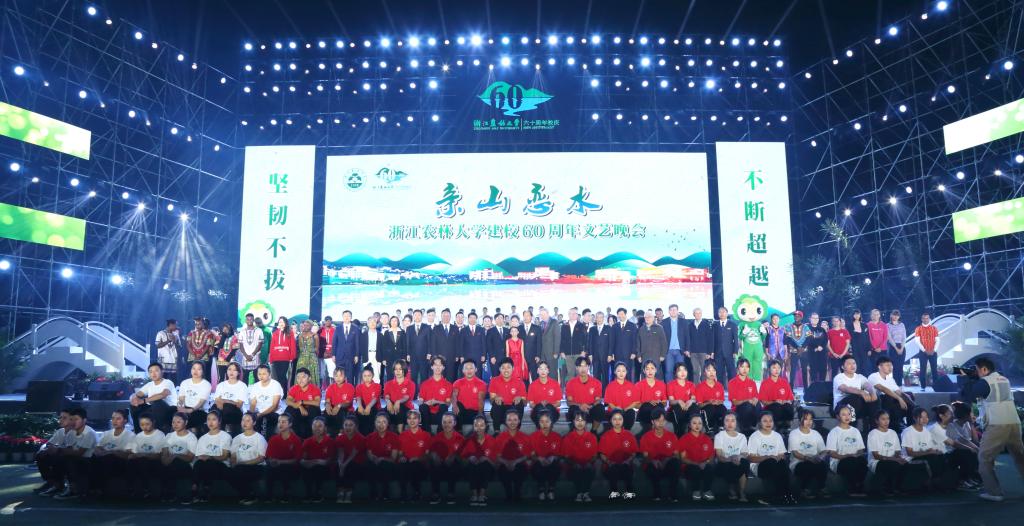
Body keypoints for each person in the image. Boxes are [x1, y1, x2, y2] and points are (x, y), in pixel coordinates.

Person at [748, 412, 795, 505]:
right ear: (760, 423)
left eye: (770, 421)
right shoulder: (755, 436)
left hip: (775, 464)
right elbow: (751, 458)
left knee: (782, 464)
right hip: (759, 465)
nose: (768, 423)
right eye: (765, 421)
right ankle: (772, 496)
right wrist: (768, 457)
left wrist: (776, 458)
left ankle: (787, 495)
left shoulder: (777, 436)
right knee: (770, 462)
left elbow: (782, 455)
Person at [901, 406, 948, 490]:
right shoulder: (908, 432)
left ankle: (941, 481)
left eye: (926, 417)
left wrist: (935, 451)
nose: (925, 419)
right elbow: (909, 453)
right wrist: (929, 452)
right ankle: (935, 482)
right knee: (932, 457)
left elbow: (929, 448)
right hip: (909, 459)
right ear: (915, 418)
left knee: (942, 455)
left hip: (924, 455)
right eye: (921, 417)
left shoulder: (926, 431)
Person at [825, 405, 868, 496]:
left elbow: (861, 449)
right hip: (839, 461)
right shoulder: (834, 432)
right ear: (838, 416)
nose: (847, 417)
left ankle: (859, 485)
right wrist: (846, 456)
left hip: (854, 459)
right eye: (843, 414)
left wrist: (856, 455)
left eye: (849, 414)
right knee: (849, 462)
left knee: (862, 461)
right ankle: (852, 488)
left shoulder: (855, 431)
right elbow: (832, 453)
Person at [90, 409, 134, 496]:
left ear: (125, 421)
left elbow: (128, 454)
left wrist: (112, 452)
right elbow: (98, 448)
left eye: (118, 418)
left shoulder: (130, 435)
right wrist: (102, 452)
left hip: (120, 461)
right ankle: (93, 489)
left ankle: (103, 489)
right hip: (104, 457)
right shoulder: (106, 433)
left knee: (109, 458)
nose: (114, 421)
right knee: (92, 457)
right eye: (113, 418)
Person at [640, 409, 680, 501]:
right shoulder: (646, 437)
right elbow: (645, 457)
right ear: (652, 422)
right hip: (654, 466)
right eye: (658, 421)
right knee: (650, 466)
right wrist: (653, 461)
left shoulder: (672, 436)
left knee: (676, 463)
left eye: (663, 420)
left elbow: (677, 455)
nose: (661, 423)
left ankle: (672, 494)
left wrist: (667, 460)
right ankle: (656, 494)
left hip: (667, 466)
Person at [867, 409, 908, 497]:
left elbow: (897, 450)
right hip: (877, 462)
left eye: (888, 419)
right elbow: (876, 455)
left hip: (892, 459)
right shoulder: (873, 434)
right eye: (883, 419)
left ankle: (899, 488)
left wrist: (898, 458)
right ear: (877, 421)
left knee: (906, 463)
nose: (886, 421)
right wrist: (894, 459)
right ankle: (886, 489)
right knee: (891, 465)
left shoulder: (893, 433)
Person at [788, 409, 828, 499]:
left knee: (822, 465)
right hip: (799, 462)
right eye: (806, 419)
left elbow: (824, 451)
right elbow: (795, 453)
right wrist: (809, 458)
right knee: (807, 466)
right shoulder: (794, 434)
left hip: (814, 460)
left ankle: (821, 488)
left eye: (811, 419)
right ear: (800, 420)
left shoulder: (816, 433)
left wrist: (820, 458)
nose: (809, 422)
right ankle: (804, 490)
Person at [869, 356, 915, 432]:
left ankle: (911, 424)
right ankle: (897, 423)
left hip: (891, 399)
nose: (890, 367)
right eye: (887, 365)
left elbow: (898, 391)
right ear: (879, 367)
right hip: (879, 402)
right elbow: (883, 389)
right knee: (888, 396)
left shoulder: (890, 379)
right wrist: (899, 399)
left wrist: (907, 397)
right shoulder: (873, 376)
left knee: (908, 395)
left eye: (891, 365)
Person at [192, 411, 231, 503]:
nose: (210, 422)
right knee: (199, 463)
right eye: (208, 419)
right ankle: (195, 487)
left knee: (209, 462)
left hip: (221, 465)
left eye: (214, 419)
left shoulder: (225, 436)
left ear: (219, 421)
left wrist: (210, 457)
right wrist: (204, 458)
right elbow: (199, 456)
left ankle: (206, 488)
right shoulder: (202, 438)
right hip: (205, 464)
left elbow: (224, 456)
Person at [600, 409, 639, 500]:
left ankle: (629, 493)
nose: (617, 421)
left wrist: (628, 461)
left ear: (623, 420)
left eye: (620, 419)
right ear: (610, 420)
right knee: (613, 469)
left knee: (627, 469)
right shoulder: (605, 436)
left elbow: (634, 453)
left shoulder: (629, 435)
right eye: (614, 419)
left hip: (626, 464)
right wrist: (609, 462)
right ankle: (614, 493)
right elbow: (602, 454)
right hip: (610, 466)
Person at [33, 408, 73, 497]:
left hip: (70, 457)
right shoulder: (60, 431)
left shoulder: (76, 432)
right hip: (60, 454)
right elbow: (49, 443)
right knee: (40, 455)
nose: (61, 420)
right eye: (60, 417)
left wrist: (56, 449)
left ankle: (59, 485)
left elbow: (71, 450)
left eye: (64, 418)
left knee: (58, 457)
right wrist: (46, 449)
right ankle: (51, 482)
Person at [230, 412, 268, 505]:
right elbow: (233, 456)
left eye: (248, 421)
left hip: (256, 466)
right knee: (231, 472)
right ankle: (247, 494)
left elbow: (261, 458)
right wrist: (234, 464)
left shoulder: (259, 438)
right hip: (240, 467)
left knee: (241, 470)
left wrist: (243, 463)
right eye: (243, 420)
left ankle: (250, 495)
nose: (244, 423)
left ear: (254, 422)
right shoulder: (236, 438)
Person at [264, 412, 302, 502]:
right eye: (279, 421)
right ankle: (269, 494)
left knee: (285, 468)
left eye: (284, 422)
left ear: (290, 424)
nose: (280, 424)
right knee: (268, 468)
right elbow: (268, 456)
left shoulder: (296, 439)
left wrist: (280, 462)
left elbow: (297, 459)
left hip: (290, 467)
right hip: (276, 465)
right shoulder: (273, 439)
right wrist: (271, 461)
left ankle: (287, 493)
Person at [460, 415, 496, 506]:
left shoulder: (492, 440)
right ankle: (474, 495)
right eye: (476, 425)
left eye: (481, 425)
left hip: (488, 470)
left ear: (486, 426)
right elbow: (462, 462)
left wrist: (487, 459)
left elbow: (496, 464)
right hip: (472, 470)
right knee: (472, 465)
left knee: (485, 464)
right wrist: (469, 458)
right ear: (473, 426)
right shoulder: (469, 440)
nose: (479, 428)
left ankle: (482, 495)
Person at [832, 355, 877, 428]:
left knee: (876, 399)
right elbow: (845, 388)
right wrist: (861, 392)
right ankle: (852, 426)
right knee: (855, 397)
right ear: (843, 367)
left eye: (854, 363)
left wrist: (873, 393)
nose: (852, 366)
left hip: (857, 406)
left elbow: (868, 385)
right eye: (849, 364)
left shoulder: (860, 376)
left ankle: (874, 426)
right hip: (841, 407)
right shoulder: (839, 377)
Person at [677, 414, 715, 501]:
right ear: (689, 425)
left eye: (699, 423)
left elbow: (711, 455)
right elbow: (683, 459)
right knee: (694, 469)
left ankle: (707, 491)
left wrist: (705, 462)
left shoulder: (707, 439)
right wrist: (697, 464)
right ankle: (696, 491)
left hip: (704, 464)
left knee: (709, 468)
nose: (697, 425)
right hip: (690, 466)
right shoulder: (684, 438)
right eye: (694, 423)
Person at [428, 413, 464, 504]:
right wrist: (434, 456)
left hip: (454, 468)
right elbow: (430, 453)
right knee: (433, 464)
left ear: (455, 423)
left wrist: (454, 456)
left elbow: (464, 458)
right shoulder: (436, 437)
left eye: (449, 422)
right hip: (440, 466)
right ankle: (435, 493)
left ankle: (451, 493)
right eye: (444, 422)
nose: (446, 425)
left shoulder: (460, 438)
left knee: (455, 463)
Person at [161, 412, 197, 504]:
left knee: (177, 462)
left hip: (187, 465)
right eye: (173, 422)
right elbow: (164, 456)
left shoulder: (191, 437)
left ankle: (183, 494)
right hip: (171, 464)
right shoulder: (169, 436)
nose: (175, 424)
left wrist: (175, 455)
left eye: (178, 422)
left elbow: (189, 458)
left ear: (186, 422)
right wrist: (169, 460)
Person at [526, 411, 561, 501]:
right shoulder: (533, 436)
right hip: (538, 463)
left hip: (552, 462)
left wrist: (553, 457)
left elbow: (559, 454)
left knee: (556, 465)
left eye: (547, 421)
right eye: (542, 421)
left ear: (551, 422)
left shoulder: (557, 436)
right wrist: (539, 458)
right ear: (538, 423)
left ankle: (551, 489)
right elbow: (532, 454)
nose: (544, 424)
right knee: (537, 466)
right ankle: (541, 489)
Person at [130, 363, 176, 432]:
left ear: (162, 372)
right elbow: (137, 394)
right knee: (134, 406)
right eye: (151, 371)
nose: (153, 373)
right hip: (152, 408)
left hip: (169, 409)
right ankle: (138, 431)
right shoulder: (149, 384)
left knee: (157, 402)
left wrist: (144, 400)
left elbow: (163, 394)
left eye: (156, 371)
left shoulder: (168, 382)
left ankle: (159, 431)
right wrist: (134, 399)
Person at [714, 413, 749, 502]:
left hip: (738, 461)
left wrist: (738, 457)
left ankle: (742, 491)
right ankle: (731, 489)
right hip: (724, 463)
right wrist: (731, 459)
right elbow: (719, 456)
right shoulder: (719, 436)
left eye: (733, 421)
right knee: (729, 465)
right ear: (723, 423)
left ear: (736, 423)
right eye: (727, 420)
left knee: (744, 463)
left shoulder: (742, 437)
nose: (730, 423)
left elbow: (745, 453)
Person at [396, 410, 429, 501]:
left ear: (419, 420)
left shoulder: (426, 435)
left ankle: (417, 492)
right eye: (409, 418)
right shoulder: (402, 435)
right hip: (406, 464)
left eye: (415, 418)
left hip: (420, 464)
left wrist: (417, 458)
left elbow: (427, 455)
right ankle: (403, 493)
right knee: (401, 466)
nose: (412, 421)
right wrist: (401, 458)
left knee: (415, 465)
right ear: (406, 420)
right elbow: (400, 454)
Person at [365, 412, 400, 501]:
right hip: (375, 463)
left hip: (389, 465)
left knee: (385, 465)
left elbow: (393, 458)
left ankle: (385, 493)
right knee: (369, 465)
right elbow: (369, 455)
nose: (381, 425)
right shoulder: (369, 437)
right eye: (378, 422)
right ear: (374, 423)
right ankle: (373, 492)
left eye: (384, 422)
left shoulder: (394, 437)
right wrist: (375, 459)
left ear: (388, 423)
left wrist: (382, 459)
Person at [300, 417, 336, 502]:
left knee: (319, 468)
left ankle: (318, 493)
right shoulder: (307, 441)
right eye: (315, 426)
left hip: (325, 468)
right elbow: (303, 459)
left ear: (325, 428)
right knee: (306, 469)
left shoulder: (331, 442)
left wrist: (317, 462)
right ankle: (308, 493)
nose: (317, 428)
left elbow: (329, 461)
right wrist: (311, 462)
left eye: (320, 426)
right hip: (311, 466)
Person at [565, 356, 605, 433]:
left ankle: (593, 431)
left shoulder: (597, 383)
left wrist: (590, 406)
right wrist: (580, 406)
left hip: (591, 408)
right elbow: (569, 402)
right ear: (576, 368)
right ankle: (576, 432)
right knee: (572, 409)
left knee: (600, 408)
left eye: (585, 366)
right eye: (580, 366)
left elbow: (598, 400)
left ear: (588, 367)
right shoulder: (570, 383)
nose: (583, 369)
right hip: (578, 408)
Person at [489, 357, 527, 432]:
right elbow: (491, 400)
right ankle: (497, 431)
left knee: (520, 403)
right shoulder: (494, 381)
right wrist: (495, 398)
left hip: (513, 411)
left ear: (513, 368)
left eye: (508, 367)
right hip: (500, 411)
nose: (506, 370)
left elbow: (525, 403)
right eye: (503, 368)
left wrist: (520, 398)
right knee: (496, 402)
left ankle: (516, 431)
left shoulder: (519, 382)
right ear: (499, 369)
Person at [334, 415, 365, 504]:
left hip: (356, 461)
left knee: (351, 466)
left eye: (351, 425)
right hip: (344, 460)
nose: (348, 427)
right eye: (346, 425)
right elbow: (340, 453)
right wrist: (340, 464)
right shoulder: (339, 438)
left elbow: (353, 455)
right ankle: (340, 491)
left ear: (356, 426)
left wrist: (344, 465)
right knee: (337, 466)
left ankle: (348, 492)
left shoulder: (361, 438)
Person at [418, 356, 452, 433]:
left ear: (443, 367)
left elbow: (448, 404)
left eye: (440, 365)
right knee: (423, 407)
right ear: (432, 367)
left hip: (440, 415)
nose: (437, 367)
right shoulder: (425, 384)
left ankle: (440, 433)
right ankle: (427, 433)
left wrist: (437, 402)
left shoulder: (448, 385)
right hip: (427, 414)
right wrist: (426, 403)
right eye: (435, 365)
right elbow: (420, 402)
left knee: (443, 406)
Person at [248, 364, 284, 438]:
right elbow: (253, 404)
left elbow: (275, 406)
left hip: (273, 412)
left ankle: (265, 441)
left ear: (269, 374)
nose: (261, 376)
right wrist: (251, 415)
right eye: (259, 374)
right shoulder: (255, 386)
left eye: (264, 374)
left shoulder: (275, 385)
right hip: (259, 412)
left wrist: (261, 414)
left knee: (264, 420)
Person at [759, 360, 795, 432]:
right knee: (776, 406)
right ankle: (778, 427)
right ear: (769, 369)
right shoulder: (765, 383)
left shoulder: (784, 382)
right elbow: (763, 401)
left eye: (779, 368)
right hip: (771, 407)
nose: (777, 370)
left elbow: (790, 398)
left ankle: (786, 427)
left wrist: (786, 401)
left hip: (783, 406)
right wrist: (774, 402)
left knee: (788, 407)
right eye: (774, 368)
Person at [284, 368, 321, 438]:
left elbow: (317, 403)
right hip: (299, 411)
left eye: (303, 377)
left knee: (313, 409)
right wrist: (300, 406)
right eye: (298, 377)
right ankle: (291, 436)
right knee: (289, 409)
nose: (300, 380)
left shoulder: (315, 389)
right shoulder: (294, 388)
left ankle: (313, 437)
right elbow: (287, 401)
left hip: (311, 412)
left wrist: (301, 402)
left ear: (309, 378)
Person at [452, 359, 487, 432]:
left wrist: (480, 416)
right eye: (466, 368)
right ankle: (459, 433)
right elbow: (454, 396)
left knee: (482, 424)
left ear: (476, 369)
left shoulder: (481, 384)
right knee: (457, 405)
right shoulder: (457, 382)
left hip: (475, 412)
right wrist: (454, 406)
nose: (469, 371)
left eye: (471, 368)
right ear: (463, 370)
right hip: (462, 412)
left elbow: (481, 400)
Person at [177, 361, 211, 435]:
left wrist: (191, 410)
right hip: (185, 408)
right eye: (194, 368)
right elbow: (181, 399)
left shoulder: (206, 384)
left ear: (203, 371)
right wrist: (180, 407)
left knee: (189, 419)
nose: (195, 371)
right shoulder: (184, 383)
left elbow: (201, 403)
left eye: (199, 369)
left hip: (199, 411)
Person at [604, 362, 640, 432]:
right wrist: (617, 409)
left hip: (626, 411)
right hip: (614, 411)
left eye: (623, 371)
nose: (621, 373)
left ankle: (626, 432)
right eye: (618, 371)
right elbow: (609, 403)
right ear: (615, 372)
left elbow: (635, 403)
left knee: (631, 412)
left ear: (626, 372)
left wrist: (626, 409)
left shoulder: (631, 386)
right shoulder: (610, 386)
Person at [727, 358, 760, 433]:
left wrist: (755, 400)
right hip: (738, 409)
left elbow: (756, 396)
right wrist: (747, 400)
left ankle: (754, 426)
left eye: (747, 367)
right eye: (742, 367)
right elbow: (734, 402)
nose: (745, 369)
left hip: (750, 407)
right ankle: (744, 427)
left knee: (758, 405)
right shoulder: (732, 382)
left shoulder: (752, 382)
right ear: (738, 368)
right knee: (748, 406)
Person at [636, 360, 668, 435]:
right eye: (647, 369)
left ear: (656, 370)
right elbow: (636, 405)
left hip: (657, 410)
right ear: (644, 371)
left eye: (652, 368)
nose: (650, 371)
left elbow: (665, 403)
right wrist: (648, 403)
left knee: (659, 406)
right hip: (644, 412)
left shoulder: (662, 384)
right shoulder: (638, 385)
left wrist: (659, 402)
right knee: (647, 406)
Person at [527, 361, 562, 429]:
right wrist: (541, 406)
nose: (543, 371)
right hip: (538, 411)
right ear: (537, 371)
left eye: (545, 369)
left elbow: (559, 403)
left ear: (548, 371)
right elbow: (531, 404)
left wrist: (548, 405)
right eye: (541, 369)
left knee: (549, 413)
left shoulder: (555, 384)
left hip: (551, 410)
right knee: (539, 414)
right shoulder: (532, 385)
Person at [383, 360, 416, 432]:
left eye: (400, 369)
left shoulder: (411, 384)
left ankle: (400, 433)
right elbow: (386, 396)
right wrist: (388, 401)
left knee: (399, 409)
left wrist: (398, 401)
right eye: (396, 369)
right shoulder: (388, 383)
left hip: (406, 407)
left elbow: (406, 397)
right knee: (382, 413)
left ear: (404, 370)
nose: (398, 371)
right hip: (391, 405)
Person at [214, 363, 247, 433]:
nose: (231, 372)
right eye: (229, 369)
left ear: (238, 373)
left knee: (228, 407)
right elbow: (217, 401)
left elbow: (239, 405)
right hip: (222, 410)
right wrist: (228, 402)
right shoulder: (221, 385)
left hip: (235, 411)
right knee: (215, 410)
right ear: (226, 371)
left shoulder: (242, 386)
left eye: (234, 370)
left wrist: (225, 401)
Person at [667, 363, 698, 437]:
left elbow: (694, 399)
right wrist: (679, 401)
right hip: (675, 409)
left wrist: (690, 401)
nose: (683, 372)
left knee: (694, 406)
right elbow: (671, 402)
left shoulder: (691, 384)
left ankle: (693, 432)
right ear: (675, 373)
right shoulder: (670, 384)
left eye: (684, 370)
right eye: (679, 370)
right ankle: (680, 433)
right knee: (677, 407)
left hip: (687, 407)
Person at [696, 361, 727, 432]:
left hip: (716, 407)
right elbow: (699, 405)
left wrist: (717, 402)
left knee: (722, 408)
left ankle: (721, 427)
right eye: (709, 370)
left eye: (713, 370)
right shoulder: (700, 387)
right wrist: (709, 402)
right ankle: (709, 429)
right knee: (710, 408)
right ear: (704, 372)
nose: (711, 373)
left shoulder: (719, 385)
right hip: (706, 408)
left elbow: (722, 401)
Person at [637, 310, 668, 381]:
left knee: (657, 374)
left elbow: (664, 342)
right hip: (644, 356)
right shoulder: (641, 329)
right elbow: (638, 343)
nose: (647, 318)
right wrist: (638, 355)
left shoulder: (659, 328)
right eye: (645, 317)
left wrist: (663, 355)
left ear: (653, 318)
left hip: (656, 356)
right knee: (645, 374)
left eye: (649, 317)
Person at [323, 367, 355, 434]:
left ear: (345, 377)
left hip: (346, 410)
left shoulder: (350, 387)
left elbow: (348, 403)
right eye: (336, 376)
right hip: (333, 409)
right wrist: (327, 405)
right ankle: (329, 433)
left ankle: (340, 433)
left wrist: (339, 406)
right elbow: (327, 400)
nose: (338, 378)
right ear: (333, 377)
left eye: (340, 375)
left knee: (340, 412)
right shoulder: (330, 387)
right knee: (326, 412)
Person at [432, 309, 462, 381]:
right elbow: (433, 343)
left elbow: (458, 343)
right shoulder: (436, 328)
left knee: (451, 377)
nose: (446, 317)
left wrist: (457, 355)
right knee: (440, 377)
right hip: (439, 358)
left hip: (452, 357)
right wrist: (435, 357)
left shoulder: (455, 328)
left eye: (448, 316)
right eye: (444, 316)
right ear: (441, 317)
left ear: (450, 317)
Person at [662, 304, 689, 382]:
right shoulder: (664, 322)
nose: (673, 311)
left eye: (675, 310)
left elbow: (687, 336)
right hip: (668, 351)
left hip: (680, 351)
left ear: (677, 311)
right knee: (669, 371)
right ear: (669, 311)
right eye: (671, 310)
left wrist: (687, 349)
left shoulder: (683, 322)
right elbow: (661, 338)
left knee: (681, 371)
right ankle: (669, 388)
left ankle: (680, 387)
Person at [711, 307, 739, 381]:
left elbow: (736, 339)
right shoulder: (715, 325)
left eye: (723, 312)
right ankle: (720, 387)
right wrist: (712, 351)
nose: (722, 314)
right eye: (720, 312)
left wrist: (735, 351)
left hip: (730, 353)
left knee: (732, 372)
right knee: (719, 372)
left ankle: (732, 387)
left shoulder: (733, 325)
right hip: (718, 353)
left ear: (727, 313)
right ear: (718, 314)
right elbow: (713, 339)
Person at [914, 313, 941, 390]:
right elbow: (917, 341)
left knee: (934, 369)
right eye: (924, 318)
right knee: (923, 369)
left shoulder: (934, 328)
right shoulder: (918, 329)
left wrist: (934, 350)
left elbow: (938, 340)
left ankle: (936, 386)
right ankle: (923, 386)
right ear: (921, 319)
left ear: (929, 319)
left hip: (933, 352)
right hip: (923, 352)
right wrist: (924, 350)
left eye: (927, 318)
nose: (925, 320)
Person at [610, 308, 637, 382]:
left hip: (629, 355)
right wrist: (611, 353)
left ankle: (629, 388)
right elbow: (612, 341)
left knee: (628, 373)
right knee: (617, 373)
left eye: (622, 314)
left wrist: (634, 352)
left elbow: (635, 340)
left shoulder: (632, 326)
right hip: (617, 355)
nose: (620, 316)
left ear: (625, 314)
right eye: (619, 314)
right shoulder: (614, 326)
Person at [269, 317, 296, 389]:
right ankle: (281, 392)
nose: (281, 323)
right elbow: (272, 346)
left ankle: (284, 392)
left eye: (283, 322)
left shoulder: (290, 333)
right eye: (280, 322)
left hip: (285, 358)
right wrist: (271, 359)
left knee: (282, 375)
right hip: (276, 358)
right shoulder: (275, 333)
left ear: (286, 323)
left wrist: (292, 356)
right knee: (278, 376)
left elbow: (292, 345)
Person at [783, 311, 808, 388]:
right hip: (794, 351)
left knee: (804, 370)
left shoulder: (805, 327)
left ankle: (806, 389)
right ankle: (791, 389)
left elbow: (809, 338)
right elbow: (788, 339)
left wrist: (802, 347)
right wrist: (797, 347)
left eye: (798, 316)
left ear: (801, 317)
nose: (796, 317)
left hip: (804, 351)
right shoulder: (789, 326)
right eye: (795, 316)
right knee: (793, 370)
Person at [354, 365, 381, 435]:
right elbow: (358, 397)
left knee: (371, 415)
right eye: (365, 376)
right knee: (358, 413)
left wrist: (369, 407)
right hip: (363, 407)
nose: (367, 378)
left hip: (374, 407)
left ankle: (370, 434)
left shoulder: (377, 386)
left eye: (369, 376)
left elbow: (375, 399)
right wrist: (359, 406)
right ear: (362, 376)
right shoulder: (359, 387)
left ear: (373, 375)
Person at [804, 313, 830, 383]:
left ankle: (822, 387)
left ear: (818, 319)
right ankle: (814, 387)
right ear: (810, 319)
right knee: (813, 372)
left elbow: (825, 339)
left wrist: (821, 346)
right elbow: (808, 340)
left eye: (816, 318)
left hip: (822, 353)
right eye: (813, 318)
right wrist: (815, 347)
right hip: (812, 353)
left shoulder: (822, 329)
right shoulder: (807, 329)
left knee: (823, 371)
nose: (815, 319)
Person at [588, 311, 612, 384]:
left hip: (605, 356)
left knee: (605, 376)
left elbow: (611, 343)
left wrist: (610, 355)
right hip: (595, 357)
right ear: (595, 318)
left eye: (601, 317)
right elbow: (590, 343)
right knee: (595, 376)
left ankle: (605, 390)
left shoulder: (608, 328)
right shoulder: (592, 329)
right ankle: (597, 390)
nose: (599, 319)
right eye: (597, 317)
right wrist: (590, 354)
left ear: (603, 318)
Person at [886, 310, 907, 387]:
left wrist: (902, 348)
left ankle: (900, 385)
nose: (895, 317)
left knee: (900, 366)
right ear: (891, 315)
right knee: (894, 367)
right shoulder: (887, 325)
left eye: (897, 315)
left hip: (902, 346)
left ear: (899, 316)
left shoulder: (902, 325)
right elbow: (889, 338)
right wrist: (896, 348)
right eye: (894, 315)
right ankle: (895, 385)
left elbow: (904, 337)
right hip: (892, 347)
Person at [865, 309, 889, 375]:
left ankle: (883, 380)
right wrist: (875, 347)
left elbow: (885, 337)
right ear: (871, 316)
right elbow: (869, 337)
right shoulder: (868, 325)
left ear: (879, 315)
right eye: (874, 314)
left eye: (877, 314)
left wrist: (880, 347)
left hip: (883, 349)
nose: (875, 316)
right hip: (873, 350)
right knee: (874, 368)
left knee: (883, 367)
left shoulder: (884, 325)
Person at [764, 314, 786, 381]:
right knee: (771, 369)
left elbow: (785, 342)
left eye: (777, 318)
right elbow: (766, 341)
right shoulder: (768, 329)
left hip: (781, 352)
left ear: (779, 320)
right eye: (774, 319)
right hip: (771, 352)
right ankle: (771, 385)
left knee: (780, 369)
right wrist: (767, 352)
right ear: (771, 320)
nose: (775, 320)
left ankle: (779, 384)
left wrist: (786, 353)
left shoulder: (782, 329)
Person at [849, 310, 870, 376]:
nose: (857, 315)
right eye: (855, 314)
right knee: (857, 365)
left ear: (860, 315)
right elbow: (849, 339)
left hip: (864, 348)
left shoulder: (865, 325)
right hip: (855, 348)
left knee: (865, 366)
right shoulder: (849, 326)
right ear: (853, 315)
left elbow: (868, 338)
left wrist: (869, 349)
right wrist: (850, 349)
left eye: (858, 314)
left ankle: (865, 380)